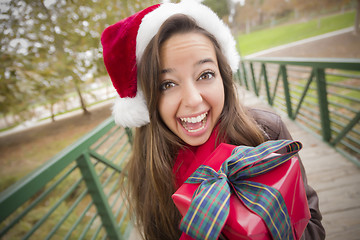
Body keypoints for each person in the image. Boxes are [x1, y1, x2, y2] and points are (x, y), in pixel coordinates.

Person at [101, 1, 325, 240]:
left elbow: (312, 223)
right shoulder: (152, 171)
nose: (193, 99)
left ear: (223, 76)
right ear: (148, 101)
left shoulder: (265, 131)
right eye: (167, 84)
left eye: (205, 74)